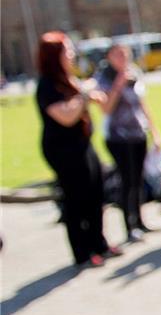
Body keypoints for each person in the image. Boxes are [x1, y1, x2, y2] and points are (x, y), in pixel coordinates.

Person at [35, 32, 121, 268]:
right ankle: (82, 251)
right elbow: (65, 116)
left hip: (83, 145)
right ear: (55, 56)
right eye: (67, 50)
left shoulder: (68, 78)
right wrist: (84, 96)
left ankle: (99, 243)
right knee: (75, 198)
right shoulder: (47, 85)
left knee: (96, 192)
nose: (71, 54)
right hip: (63, 150)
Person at [97, 43, 161, 242]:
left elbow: (142, 105)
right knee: (126, 181)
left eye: (125, 54)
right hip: (118, 137)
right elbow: (106, 109)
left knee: (138, 179)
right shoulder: (104, 78)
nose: (123, 58)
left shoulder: (134, 74)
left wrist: (154, 131)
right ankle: (129, 225)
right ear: (109, 57)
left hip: (137, 134)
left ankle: (140, 221)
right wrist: (118, 85)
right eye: (118, 55)